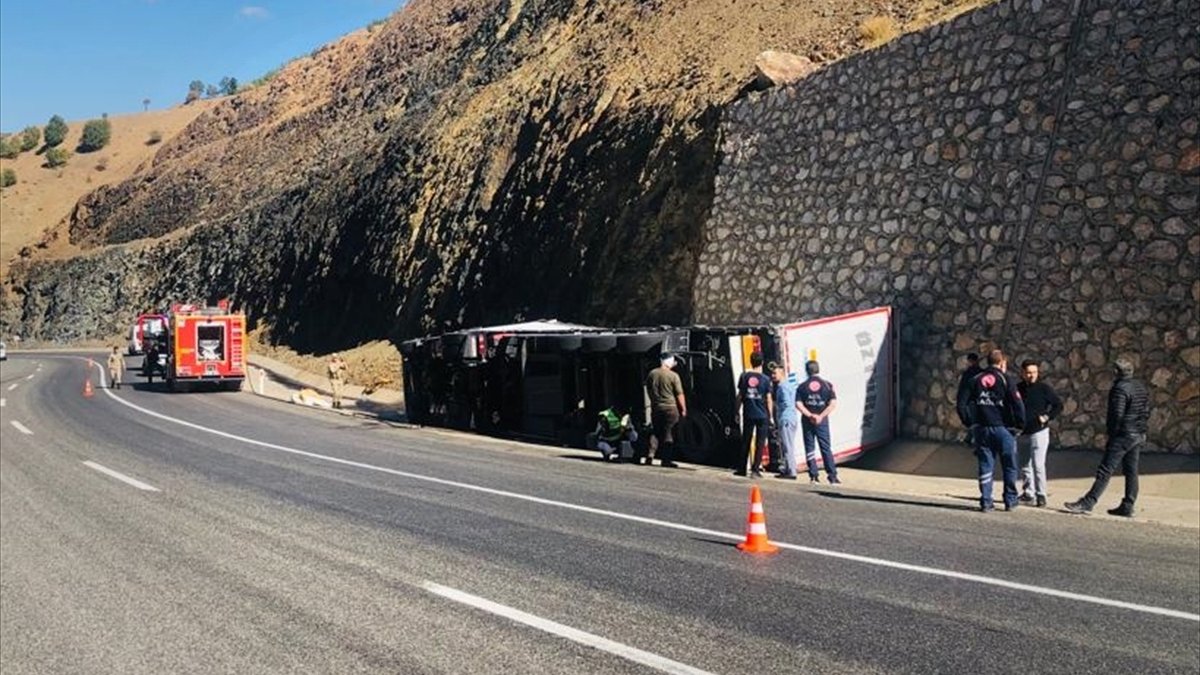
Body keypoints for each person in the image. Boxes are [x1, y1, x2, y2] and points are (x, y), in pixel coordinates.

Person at [1065, 358, 1150, 517]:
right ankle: (1128, 504)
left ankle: (1089, 502)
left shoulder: (1119, 389)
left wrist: (1112, 434)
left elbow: (1116, 415)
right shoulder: (1140, 387)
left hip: (1123, 435)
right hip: (1138, 433)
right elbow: (1146, 411)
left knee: (1105, 470)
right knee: (1131, 471)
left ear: (1117, 372)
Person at [956, 349, 1025, 512]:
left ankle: (986, 501)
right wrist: (1020, 425)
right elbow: (1017, 404)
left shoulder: (974, 379)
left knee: (986, 464)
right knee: (1009, 465)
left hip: (981, 428)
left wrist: (970, 423)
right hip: (1004, 429)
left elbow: (961, 404)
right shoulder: (1006, 379)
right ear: (1002, 363)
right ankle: (1010, 499)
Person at [1017, 360, 1063, 507]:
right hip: (1022, 431)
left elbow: (1058, 405)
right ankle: (1028, 493)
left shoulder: (1044, 389)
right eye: (1029, 372)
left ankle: (1041, 494)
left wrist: (1047, 417)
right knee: (1024, 465)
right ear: (1023, 373)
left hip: (1039, 431)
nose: (1032, 375)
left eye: (1035, 372)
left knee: (1038, 464)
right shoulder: (1017, 389)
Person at [797, 360, 840, 484]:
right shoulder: (827, 385)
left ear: (807, 371)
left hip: (807, 420)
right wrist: (820, 416)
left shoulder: (802, 386)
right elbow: (833, 403)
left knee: (810, 447)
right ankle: (832, 476)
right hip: (822, 421)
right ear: (818, 369)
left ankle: (813, 476)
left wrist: (810, 415)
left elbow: (798, 404)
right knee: (825, 447)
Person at [735, 351, 775, 478]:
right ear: (762, 363)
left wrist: (737, 411)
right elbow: (769, 399)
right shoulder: (766, 379)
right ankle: (755, 469)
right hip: (762, 414)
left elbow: (740, 396)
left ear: (750, 362)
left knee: (746, 440)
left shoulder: (744, 376)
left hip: (748, 413)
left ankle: (741, 468)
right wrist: (771, 416)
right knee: (760, 442)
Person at [644, 352, 687, 468]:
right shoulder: (673, 376)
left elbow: (648, 389)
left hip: (656, 408)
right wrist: (683, 409)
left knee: (656, 432)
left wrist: (654, 401)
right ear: (669, 362)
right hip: (670, 409)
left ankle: (650, 455)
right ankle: (666, 460)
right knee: (669, 433)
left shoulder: (652, 374)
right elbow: (680, 394)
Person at [770, 362, 801, 480]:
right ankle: (789, 468)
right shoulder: (789, 385)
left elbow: (787, 403)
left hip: (786, 418)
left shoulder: (782, 387)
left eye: (775, 373)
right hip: (791, 418)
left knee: (787, 446)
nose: (773, 375)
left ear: (782, 374)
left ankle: (791, 471)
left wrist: (781, 417)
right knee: (789, 445)